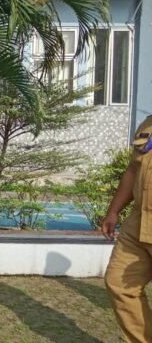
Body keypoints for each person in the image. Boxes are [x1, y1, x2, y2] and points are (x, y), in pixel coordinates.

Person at [102, 116, 152, 342]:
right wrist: (114, 211)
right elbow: (133, 170)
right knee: (118, 282)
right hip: (138, 222)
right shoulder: (148, 125)